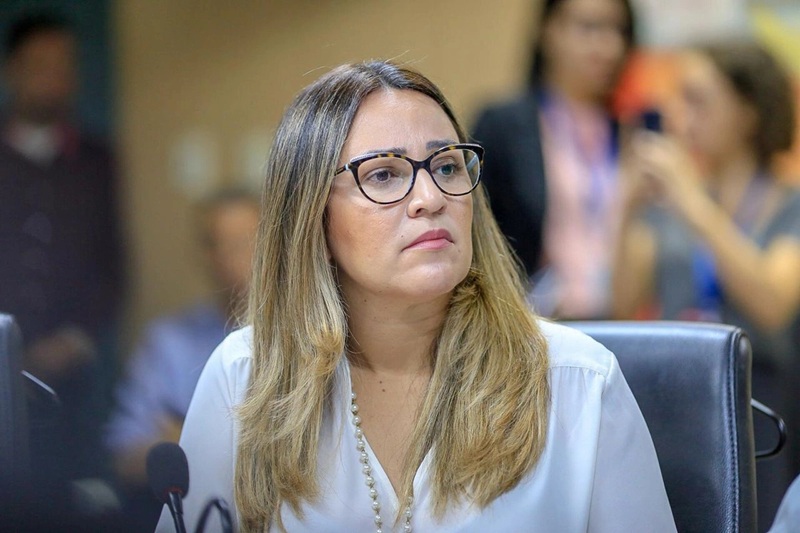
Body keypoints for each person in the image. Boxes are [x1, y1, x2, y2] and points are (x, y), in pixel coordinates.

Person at [155, 60, 674, 532]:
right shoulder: (245, 376)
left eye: (447, 166)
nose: (431, 197)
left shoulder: (578, 381)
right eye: (383, 174)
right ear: (312, 215)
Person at [612, 41, 800, 532]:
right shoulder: (674, 202)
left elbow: (772, 302)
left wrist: (692, 201)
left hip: (767, 416)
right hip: (681, 408)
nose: (681, 116)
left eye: (698, 100)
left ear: (748, 112)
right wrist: (626, 205)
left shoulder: (788, 203)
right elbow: (623, 303)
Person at [0, 13, 124, 485]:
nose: (53, 78)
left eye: (63, 66)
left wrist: (75, 340)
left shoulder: (95, 159)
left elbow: (112, 260)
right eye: (40, 65)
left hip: (72, 375)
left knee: (68, 489)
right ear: (12, 69)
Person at [105, 188, 258, 531]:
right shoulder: (168, 343)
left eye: (249, 241)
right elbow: (126, 456)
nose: (240, 256)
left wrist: (189, 439)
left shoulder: (308, 338)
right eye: (224, 244)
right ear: (206, 254)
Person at [472, 0, 634, 319]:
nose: (610, 46)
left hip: (618, 315)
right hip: (532, 320)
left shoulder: (629, 130)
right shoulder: (504, 125)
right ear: (548, 31)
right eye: (589, 28)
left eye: (620, 31)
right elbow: (477, 234)